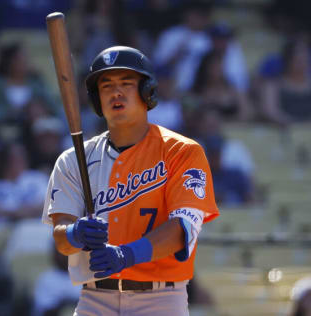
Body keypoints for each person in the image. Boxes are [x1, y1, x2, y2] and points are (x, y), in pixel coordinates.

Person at [42, 46, 220, 315]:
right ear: (96, 100)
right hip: (94, 298)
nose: (116, 92)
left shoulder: (182, 152)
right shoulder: (72, 160)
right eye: (106, 86)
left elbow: (180, 229)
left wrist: (126, 254)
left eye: (127, 83)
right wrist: (74, 232)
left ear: (147, 92)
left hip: (160, 299)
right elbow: (62, 239)